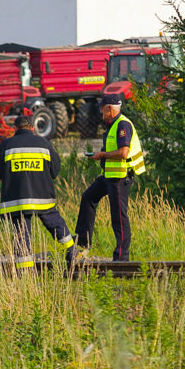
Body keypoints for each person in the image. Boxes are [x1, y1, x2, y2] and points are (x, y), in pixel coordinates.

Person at [0, 115, 76, 271]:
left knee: (21, 233)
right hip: (42, 196)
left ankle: (25, 272)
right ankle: (71, 251)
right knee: (55, 222)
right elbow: (55, 171)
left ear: (15, 129)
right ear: (32, 128)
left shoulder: (7, 145)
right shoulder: (44, 143)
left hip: (17, 199)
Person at [75, 95, 146, 261]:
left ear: (110, 108)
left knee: (119, 217)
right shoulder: (113, 124)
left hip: (121, 176)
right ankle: (83, 243)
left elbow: (123, 153)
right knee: (88, 198)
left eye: (102, 108)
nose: (100, 111)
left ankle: (121, 258)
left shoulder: (122, 124)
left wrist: (101, 155)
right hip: (110, 175)